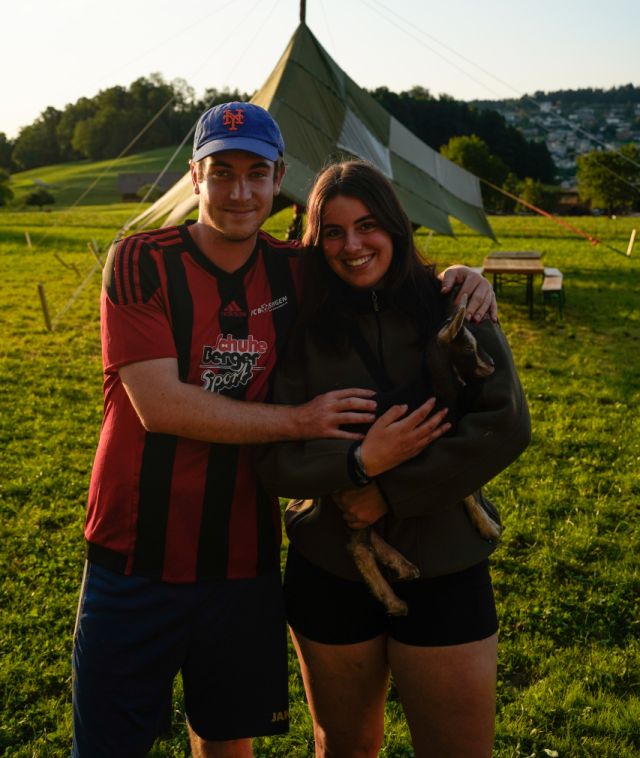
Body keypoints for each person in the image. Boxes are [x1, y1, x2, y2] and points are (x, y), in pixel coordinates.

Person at [72, 102, 498, 758]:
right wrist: (300, 421)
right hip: (136, 554)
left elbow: (371, 265)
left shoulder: (295, 270)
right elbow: (159, 406)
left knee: (225, 737)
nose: (239, 192)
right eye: (221, 172)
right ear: (195, 176)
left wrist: (461, 279)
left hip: (243, 557)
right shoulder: (140, 260)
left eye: (255, 174)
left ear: (279, 180)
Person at [255, 160, 531, 758]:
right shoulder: (301, 325)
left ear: (396, 225)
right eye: (333, 231)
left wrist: (387, 492)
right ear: (315, 240)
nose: (352, 246)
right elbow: (274, 460)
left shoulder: (452, 300)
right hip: (328, 566)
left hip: (444, 563)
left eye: (368, 225)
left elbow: (506, 423)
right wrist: (357, 464)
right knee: (344, 747)